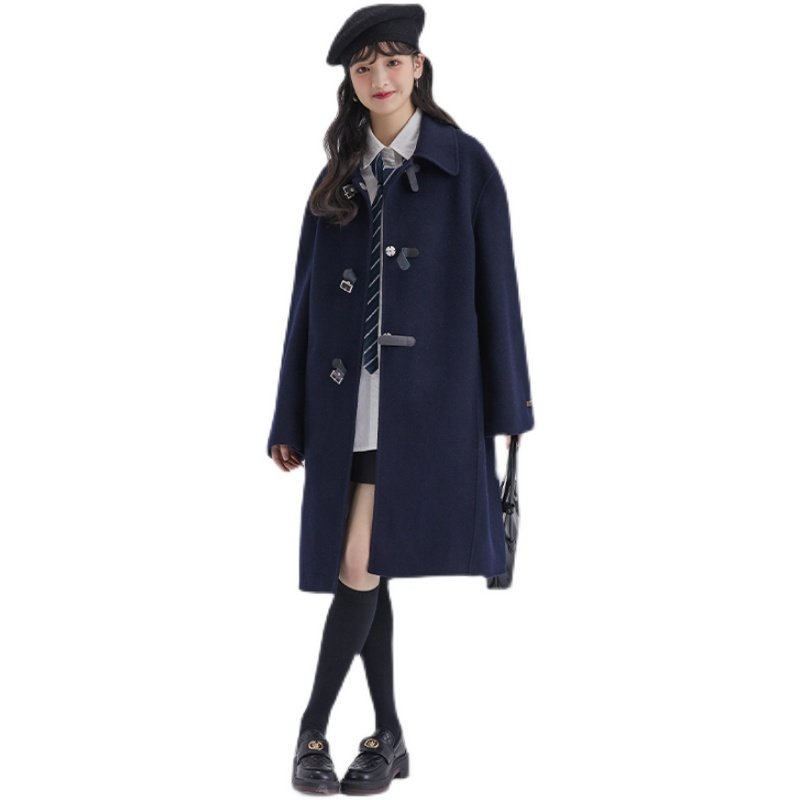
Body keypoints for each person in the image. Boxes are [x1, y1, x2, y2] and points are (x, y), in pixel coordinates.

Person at [266, 3, 534, 794]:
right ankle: (388, 735)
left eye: (392, 61)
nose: (379, 78)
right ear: (350, 84)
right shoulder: (338, 177)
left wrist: (510, 413)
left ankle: (312, 729)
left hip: (428, 407)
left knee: (357, 561)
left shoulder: (466, 165)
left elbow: (498, 293)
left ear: (419, 67)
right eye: (363, 67)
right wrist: (288, 415)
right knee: (368, 566)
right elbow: (304, 304)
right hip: (343, 407)